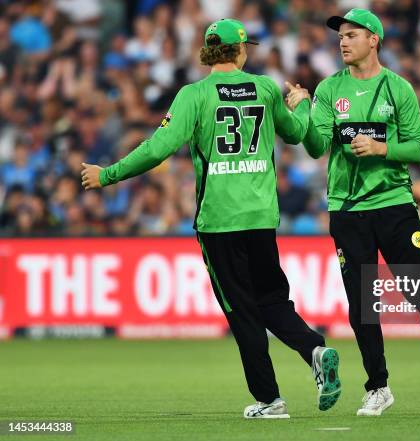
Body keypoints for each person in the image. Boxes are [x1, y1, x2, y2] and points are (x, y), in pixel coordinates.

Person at [81, 18, 341, 419]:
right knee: (271, 300)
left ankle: (270, 400)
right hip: (260, 217)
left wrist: (109, 174)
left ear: (208, 52)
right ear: (239, 51)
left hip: (219, 221)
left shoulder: (194, 95)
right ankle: (313, 349)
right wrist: (303, 103)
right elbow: (296, 133)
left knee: (242, 312)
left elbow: (157, 149)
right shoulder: (266, 88)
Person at [286, 9, 420, 415]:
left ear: (374, 39)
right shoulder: (327, 89)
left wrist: (381, 148)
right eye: (340, 35)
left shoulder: (398, 89)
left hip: (394, 206)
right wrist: (303, 109)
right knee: (362, 304)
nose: (343, 41)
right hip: (347, 209)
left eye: (352, 34)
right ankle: (378, 387)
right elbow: (317, 147)